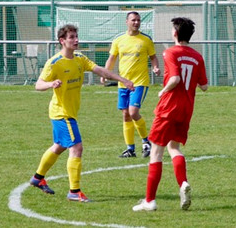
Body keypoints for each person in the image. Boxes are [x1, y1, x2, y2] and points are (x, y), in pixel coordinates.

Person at [28, 24, 133, 203]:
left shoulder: (79, 58)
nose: (76, 40)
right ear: (62, 41)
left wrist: (121, 79)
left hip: (69, 112)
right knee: (76, 147)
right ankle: (74, 191)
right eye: (72, 37)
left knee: (59, 146)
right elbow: (38, 84)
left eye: (77, 36)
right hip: (61, 113)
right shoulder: (55, 62)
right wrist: (50, 84)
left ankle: (37, 179)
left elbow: (99, 70)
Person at [133, 17, 208, 212]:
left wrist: (163, 90)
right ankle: (183, 183)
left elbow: (174, 78)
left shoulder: (170, 52)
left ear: (175, 33)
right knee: (173, 146)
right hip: (186, 109)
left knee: (156, 152)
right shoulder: (197, 56)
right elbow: (205, 86)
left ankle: (149, 201)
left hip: (168, 108)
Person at [102, 11, 160, 158]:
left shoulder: (146, 40)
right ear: (126, 22)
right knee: (126, 115)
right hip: (123, 83)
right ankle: (130, 149)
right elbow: (112, 58)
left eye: (138, 20)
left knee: (133, 112)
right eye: (133, 20)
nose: (136, 22)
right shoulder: (119, 40)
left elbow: (153, 57)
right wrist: (105, 73)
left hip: (140, 82)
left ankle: (147, 142)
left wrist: (155, 67)